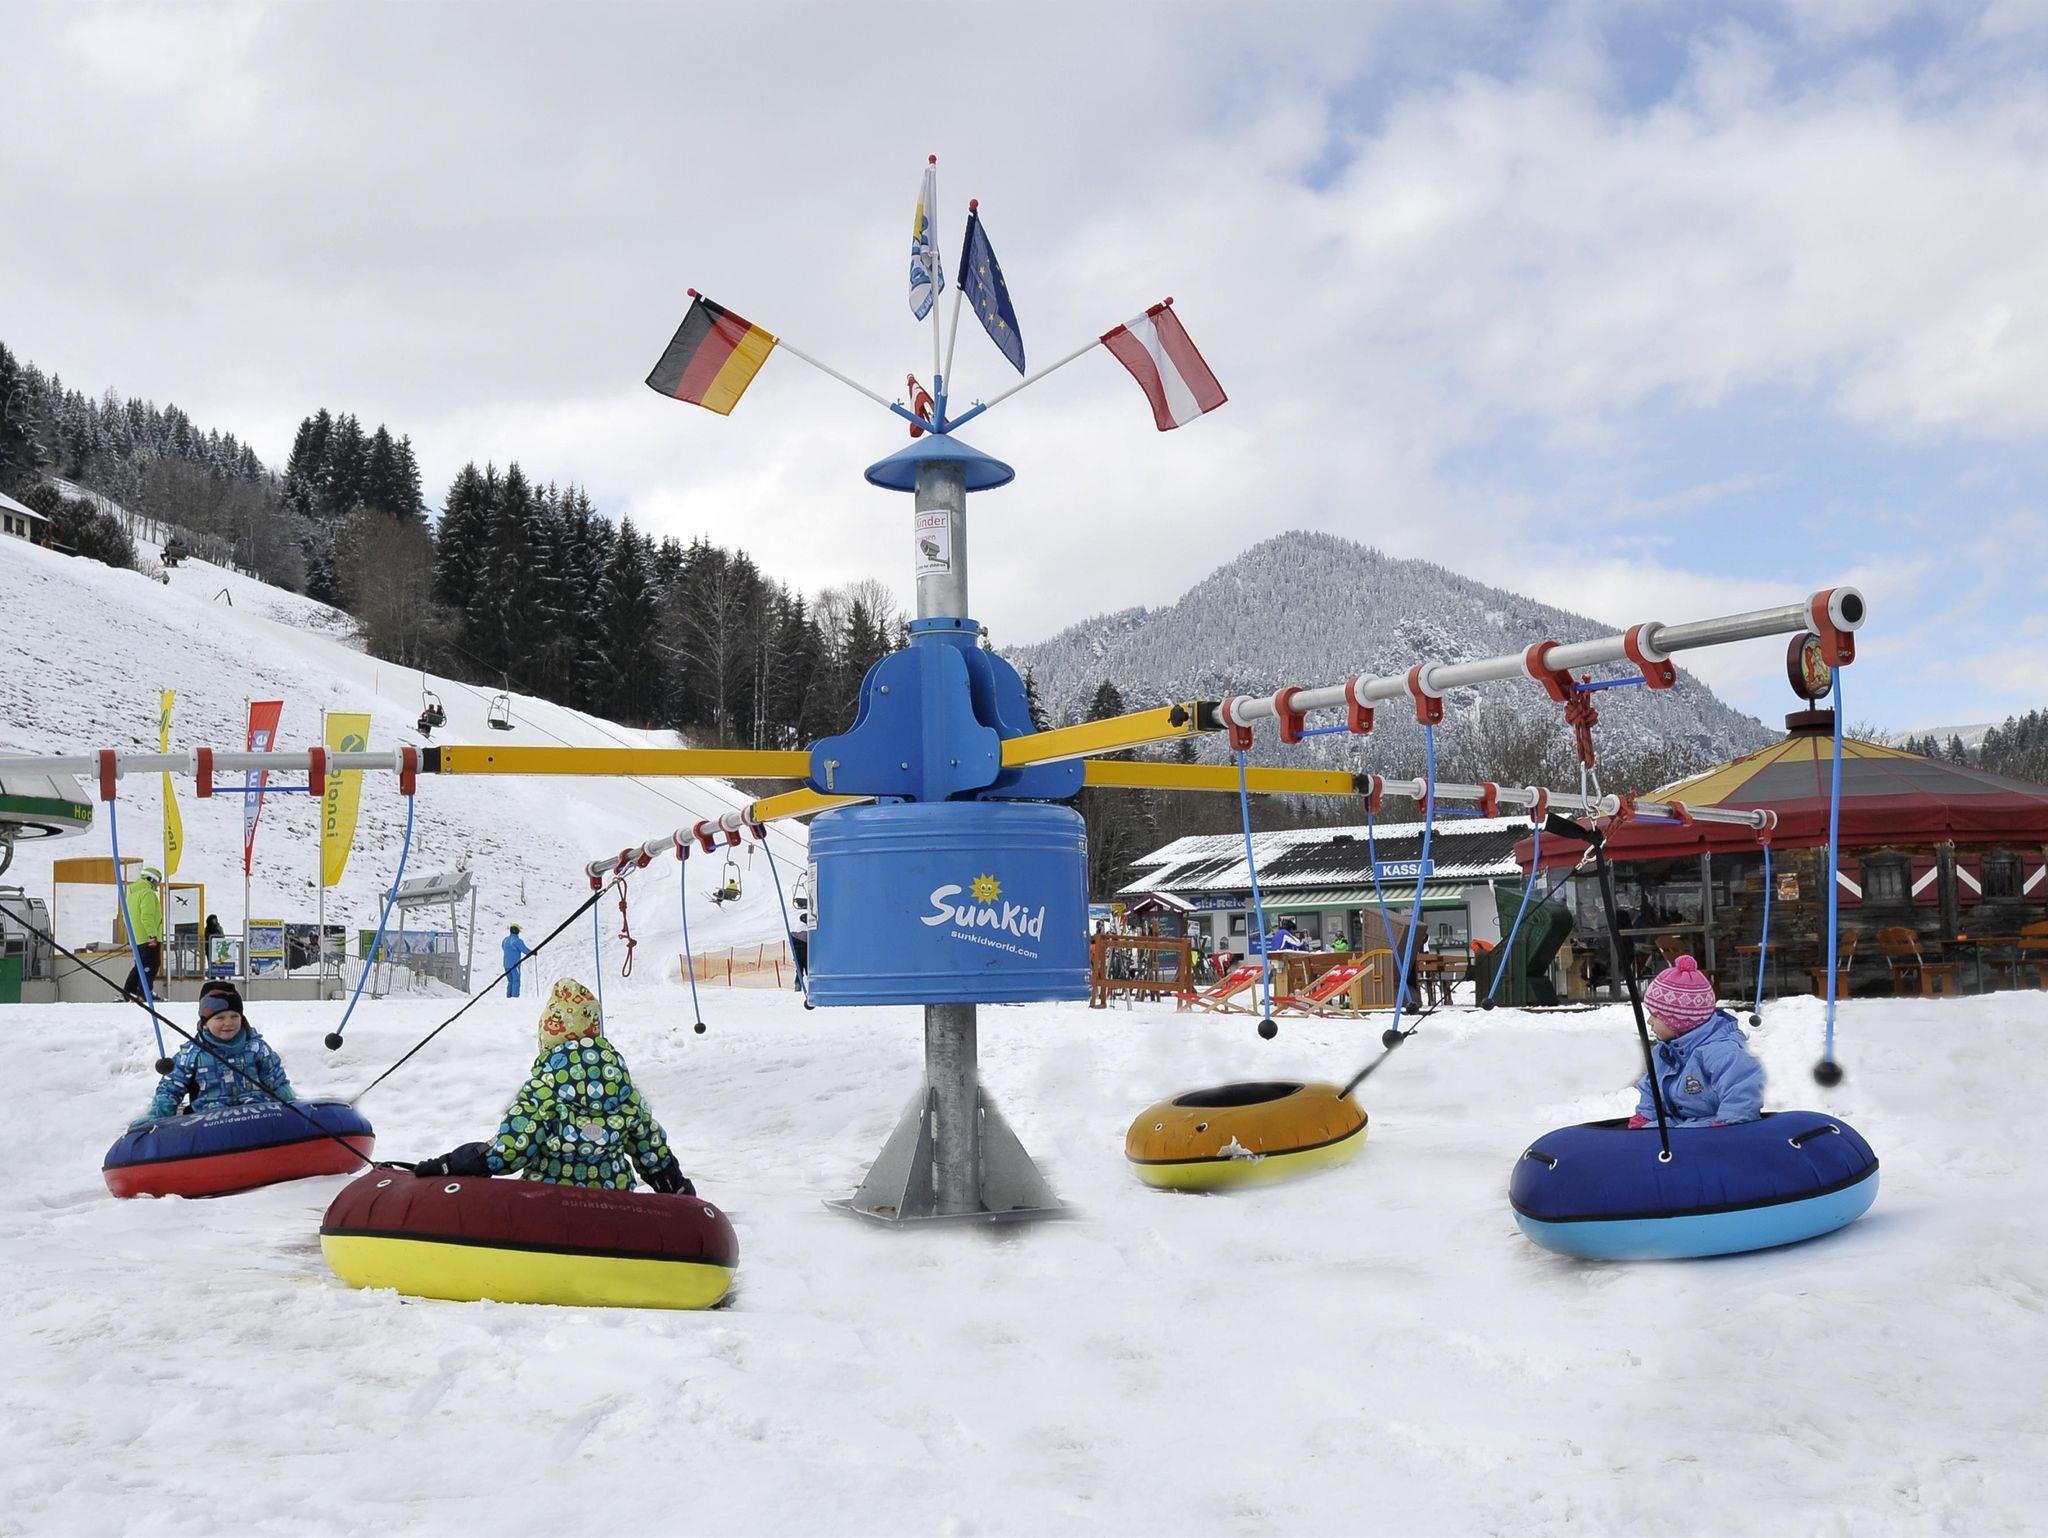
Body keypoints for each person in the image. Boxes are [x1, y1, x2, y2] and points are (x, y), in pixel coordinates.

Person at [414, 978, 693, 1193]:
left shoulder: (543, 1091)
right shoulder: (624, 1090)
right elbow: (652, 1150)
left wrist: (453, 1162)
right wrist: (676, 1188)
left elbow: (509, 1151)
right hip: (614, 1207)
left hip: (548, 1207)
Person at [1627, 955, 1764, 1128]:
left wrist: (1728, 1124)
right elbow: (1651, 1088)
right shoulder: (1664, 1052)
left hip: (1713, 1125)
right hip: (1679, 1124)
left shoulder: (1721, 1052)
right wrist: (1646, 1115)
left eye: (1655, 1016)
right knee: (1650, 1132)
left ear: (1679, 1021)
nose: (1649, 1021)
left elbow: (1742, 1089)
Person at [138, 986, 296, 1122]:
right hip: (210, 1120)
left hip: (256, 1114)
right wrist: (159, 1115)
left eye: (234, 1016)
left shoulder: (256, 1048)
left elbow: (275, 1080)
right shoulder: (192, 1054)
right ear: (205, 1024)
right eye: (220, 1018)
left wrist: (289, 1106)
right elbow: (171, 1087)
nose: (228, 1023)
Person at [121, 866, 165, 1002]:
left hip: (137, 938)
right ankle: (144, 992)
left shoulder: (131, 895)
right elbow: (147, 916)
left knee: (140, 965)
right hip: (148, 938)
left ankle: (129, 991)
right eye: (157, 881)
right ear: (151, 879)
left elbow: (126, 917)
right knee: (152, 964)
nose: (158, 885)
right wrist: (152, 935)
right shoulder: (148, 894)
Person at [501, 922, 534, 998]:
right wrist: (533, 952)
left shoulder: (505, 940)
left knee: (510, 981)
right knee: (516, 981)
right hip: (515, 965)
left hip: (506, 964)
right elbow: (524, 949)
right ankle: (514, 998)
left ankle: (508, 997)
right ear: (517, 931)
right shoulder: (517, 941)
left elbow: (503, 948)